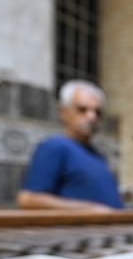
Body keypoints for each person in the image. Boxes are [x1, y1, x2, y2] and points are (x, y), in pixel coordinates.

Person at [18, 80, 124, 211]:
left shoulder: (99, 155)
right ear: (63, 112)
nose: (92, 116)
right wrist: (90, 209)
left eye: (97, 112)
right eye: (82, 109)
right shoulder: (55, 146)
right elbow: (29, 199)